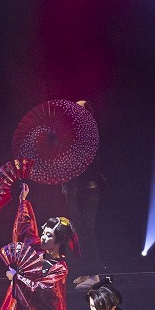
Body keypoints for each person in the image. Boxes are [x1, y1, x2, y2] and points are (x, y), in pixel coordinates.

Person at [62, 99, 104, 291]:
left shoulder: (90, 135)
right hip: (77, 189)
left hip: (87, 189)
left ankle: (94, 275)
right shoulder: (75, 136)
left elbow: (85, 165)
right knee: (78, 231)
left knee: (87, 230)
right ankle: (86, 272)